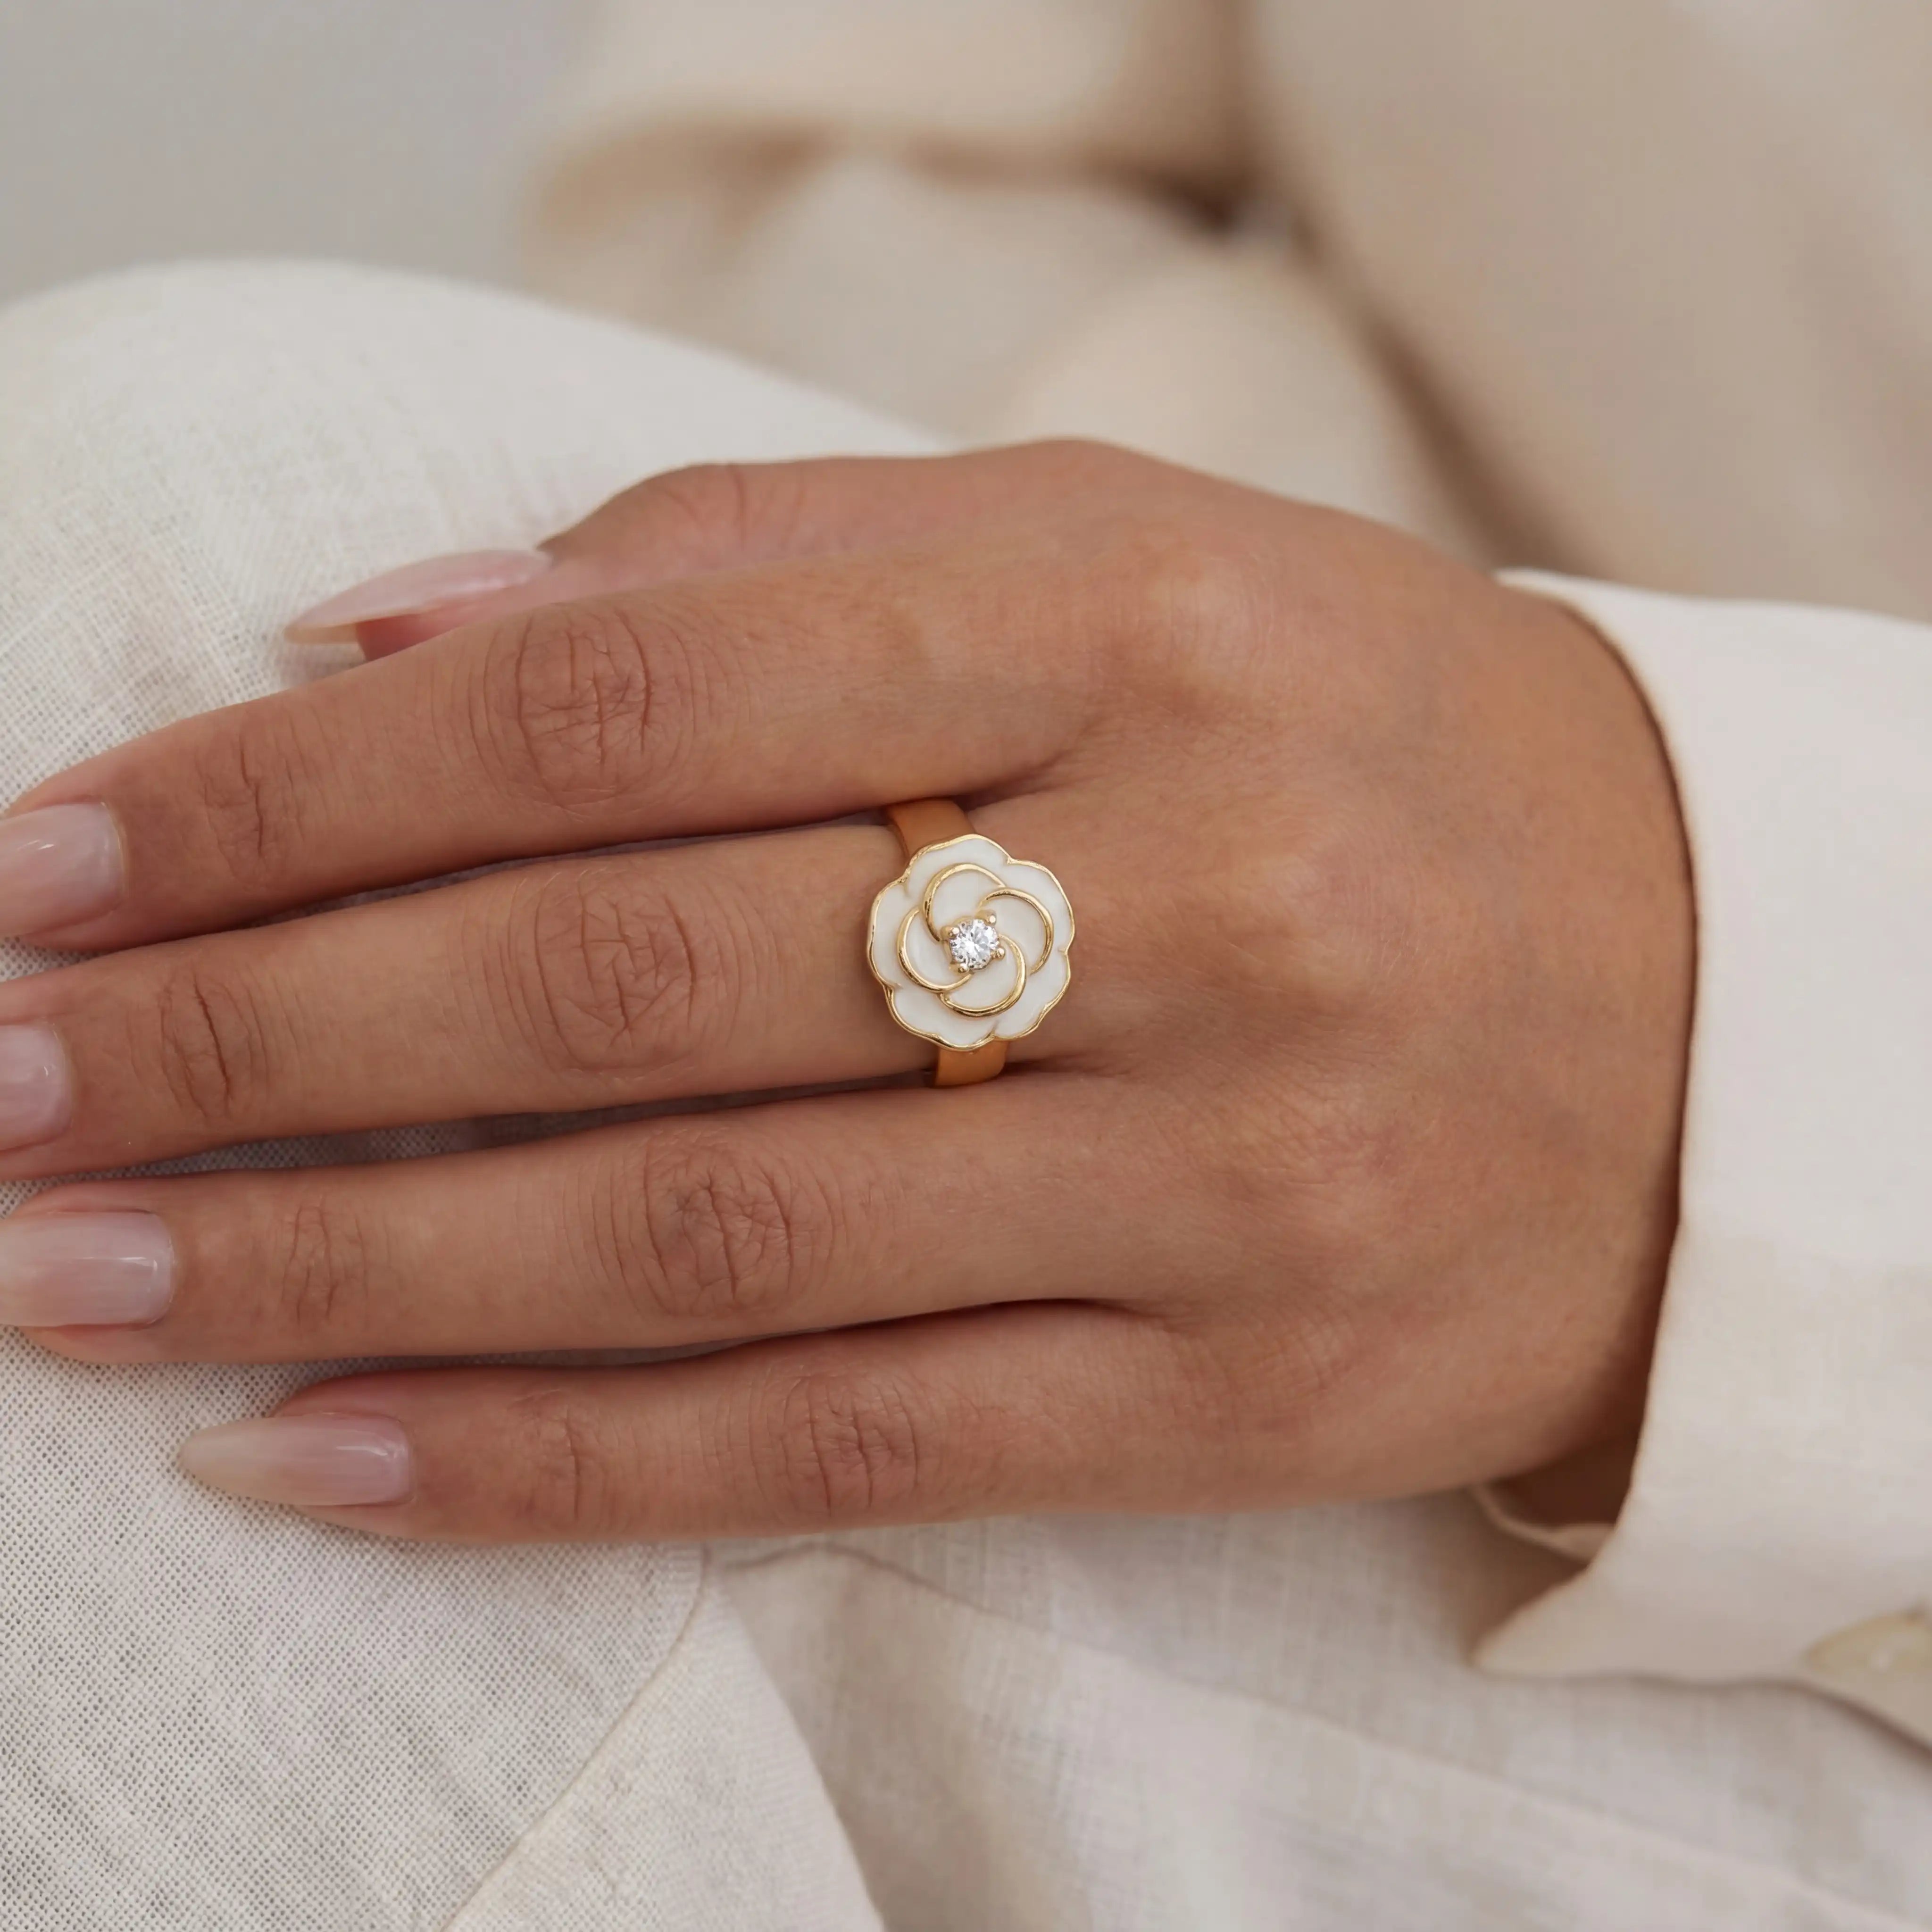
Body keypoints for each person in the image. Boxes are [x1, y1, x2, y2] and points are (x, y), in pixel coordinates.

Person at [0, 5, 1926, 1928]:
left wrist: (1765, 969)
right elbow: (831, 143)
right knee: (192, 675)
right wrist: (1261, 735)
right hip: (1345, 961)